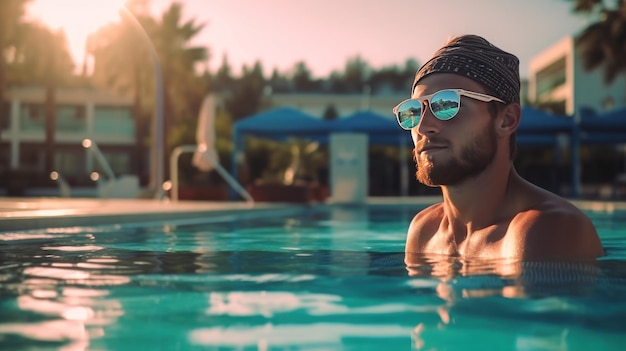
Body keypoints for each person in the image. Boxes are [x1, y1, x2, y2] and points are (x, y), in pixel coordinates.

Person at [393, 34, 603, 261]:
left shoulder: (547, 230)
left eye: (446, 105)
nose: (423, 126)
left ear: (507, 119)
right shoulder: (424, 231)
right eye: (413, 111)